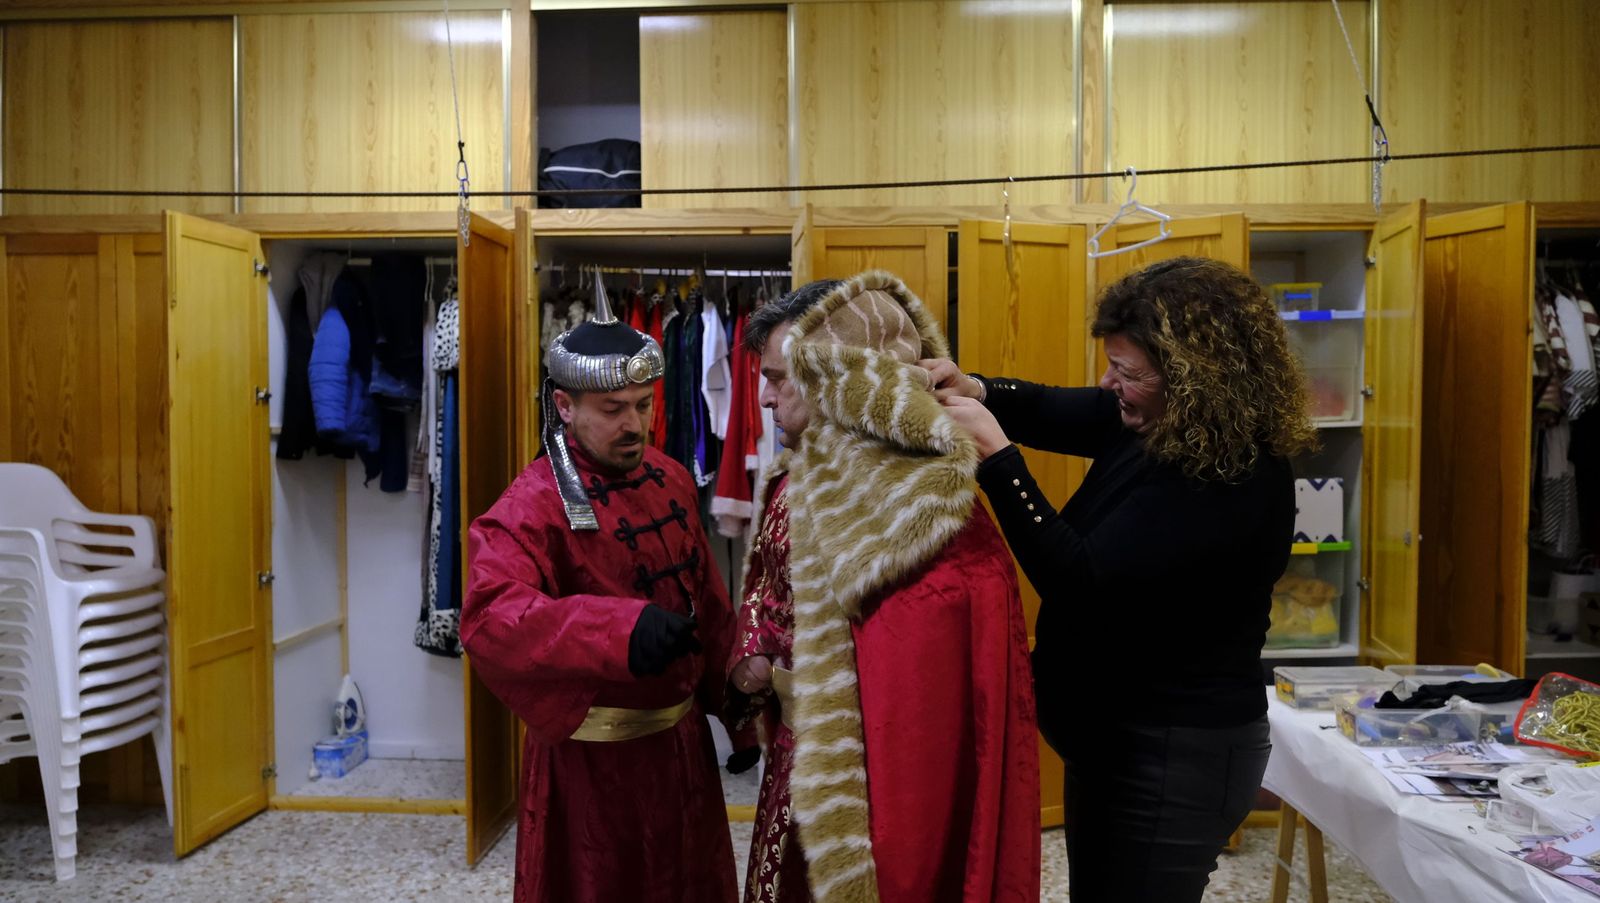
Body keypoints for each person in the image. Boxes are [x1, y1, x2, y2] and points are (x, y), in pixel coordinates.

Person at [924, 255, 1317, 902]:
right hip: (1122, 745)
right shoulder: (1163, 422)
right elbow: (1058, 407)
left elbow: (1081, 580)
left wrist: (999, 460)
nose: (1110, 384)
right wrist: (979, 389)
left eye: (1128, 373)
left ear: (1194, 378)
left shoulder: (1232, 475)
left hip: (1172, 759)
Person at [728, 273, 1041, 903]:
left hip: (872, 800)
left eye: (780, 380)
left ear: (836, 379)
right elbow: (768, 584)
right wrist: (752, 650)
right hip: (794, 764)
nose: (763, 399)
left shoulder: (933, 517)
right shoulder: (795, 478)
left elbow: (925, 726)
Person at [461, 279, 743, 903]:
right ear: (564, 406)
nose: (634, 424)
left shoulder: (671, 477)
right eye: (613, 409)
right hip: (590, 773)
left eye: (643, 404)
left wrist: (738, 713)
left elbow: (711, 606)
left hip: (684, 755)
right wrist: (617, 630)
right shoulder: (531, 504)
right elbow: (489, 619)